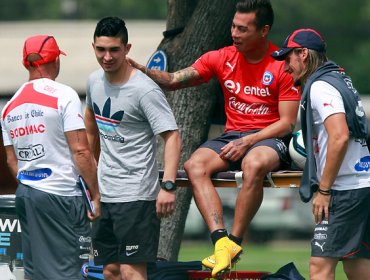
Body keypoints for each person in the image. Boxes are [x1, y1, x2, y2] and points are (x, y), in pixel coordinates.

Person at [128, 0, 301, 276]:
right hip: (232, 137)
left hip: (270, 139)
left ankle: (234, 243)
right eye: (233, 26)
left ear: (264, 30)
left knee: (253, 164)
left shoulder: (282, 65)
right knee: (194, 166)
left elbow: (287, 122)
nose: (234, 33)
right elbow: (174, 79)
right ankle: (220, 241)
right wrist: (142, 71)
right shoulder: (221, 57)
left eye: (243, 29)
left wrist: (249, 140)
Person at [84, 17, 181, 280]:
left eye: (114, 49)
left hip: (136, 196)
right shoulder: (94, 82)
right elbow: (90, 129)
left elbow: (172, 136)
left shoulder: (144, 90)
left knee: (131, 272)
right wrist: (90, 183)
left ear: (127, 49)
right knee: (111, 271)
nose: (107, 57)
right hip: (104, 194)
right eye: (101, 49)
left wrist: (168, 186)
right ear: (93, 47)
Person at [272, 28, 370, 280]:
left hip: (344, 189)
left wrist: (324, 190)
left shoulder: (321, 87)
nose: (285, 68)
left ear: (303, 54)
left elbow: (339, 136)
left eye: (287, 59)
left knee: (320, 266)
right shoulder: (339, 78)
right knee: (356, 265)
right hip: (360, 184)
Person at [0, 35, 101, 280]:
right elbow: (81, 151)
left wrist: (32, 183)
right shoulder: (64, 95)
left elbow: (11, 161)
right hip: (61, 195)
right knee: (70, 272)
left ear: (27, 63)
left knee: (35, 273)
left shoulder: (9, 106)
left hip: (26, 193)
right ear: (55, 60)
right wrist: (96, 193)